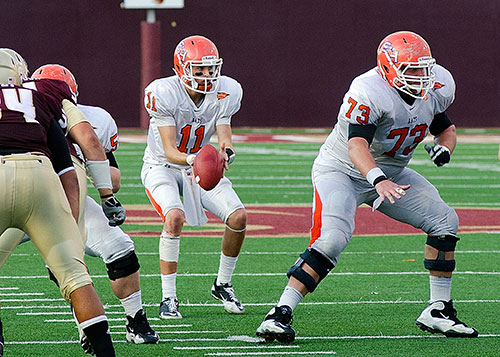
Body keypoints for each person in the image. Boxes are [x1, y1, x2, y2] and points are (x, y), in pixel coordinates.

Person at [256, 31, 478, 343]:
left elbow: (445, 128)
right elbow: (356, 145)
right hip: (342, 171)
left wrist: (445, 148)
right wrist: (378, 180)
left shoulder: (437, 85)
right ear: (388, 69)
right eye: (412, 70)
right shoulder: (368, 90)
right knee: (332, 238)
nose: (421, 77)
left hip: (390, 173)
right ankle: (278, 314)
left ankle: (438, 310)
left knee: (445, 220)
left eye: (424, 68)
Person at [24, 64, 159, 347]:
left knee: (120, 249)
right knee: (67, 259)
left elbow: (114, 176)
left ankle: (135, 320)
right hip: (30, 192)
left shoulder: (94, 118)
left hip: (71, 197)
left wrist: (87, 167)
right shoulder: (18, 116)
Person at [0, 51, 115, 356]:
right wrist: (73, 218)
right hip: (43, 174)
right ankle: (103, 349)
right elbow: (66, 164)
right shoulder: (43, 96)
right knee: (76, 276)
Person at [141, 35, 247, 319]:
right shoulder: (164, 92)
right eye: (198, 69)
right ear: (181, 68)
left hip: (197, 167)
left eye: (210, 69)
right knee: (174, 217)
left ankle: (223, 283)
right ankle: (168, 298)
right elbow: (169, 150)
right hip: (163, 166)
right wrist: (196, 160)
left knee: (238, 217)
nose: (206, 75)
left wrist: (226, 150)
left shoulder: (226, 90)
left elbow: (224, 129)